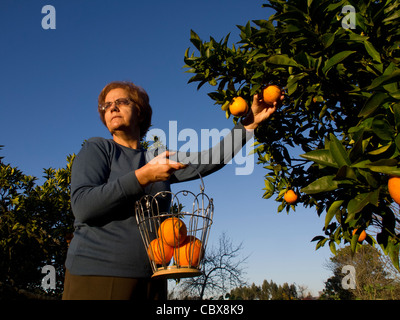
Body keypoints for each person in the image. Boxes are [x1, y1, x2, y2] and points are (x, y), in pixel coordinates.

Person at [62, 81, 280, 300]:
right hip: (98, 275)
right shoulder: (99, 148)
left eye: (121, 101)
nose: (112, 108)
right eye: (106, 105)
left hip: (154, 276)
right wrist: (142, 177)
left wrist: (249, 124)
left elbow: (210, 158)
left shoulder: (156, 157)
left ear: (139, 111)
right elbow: (82, 206)